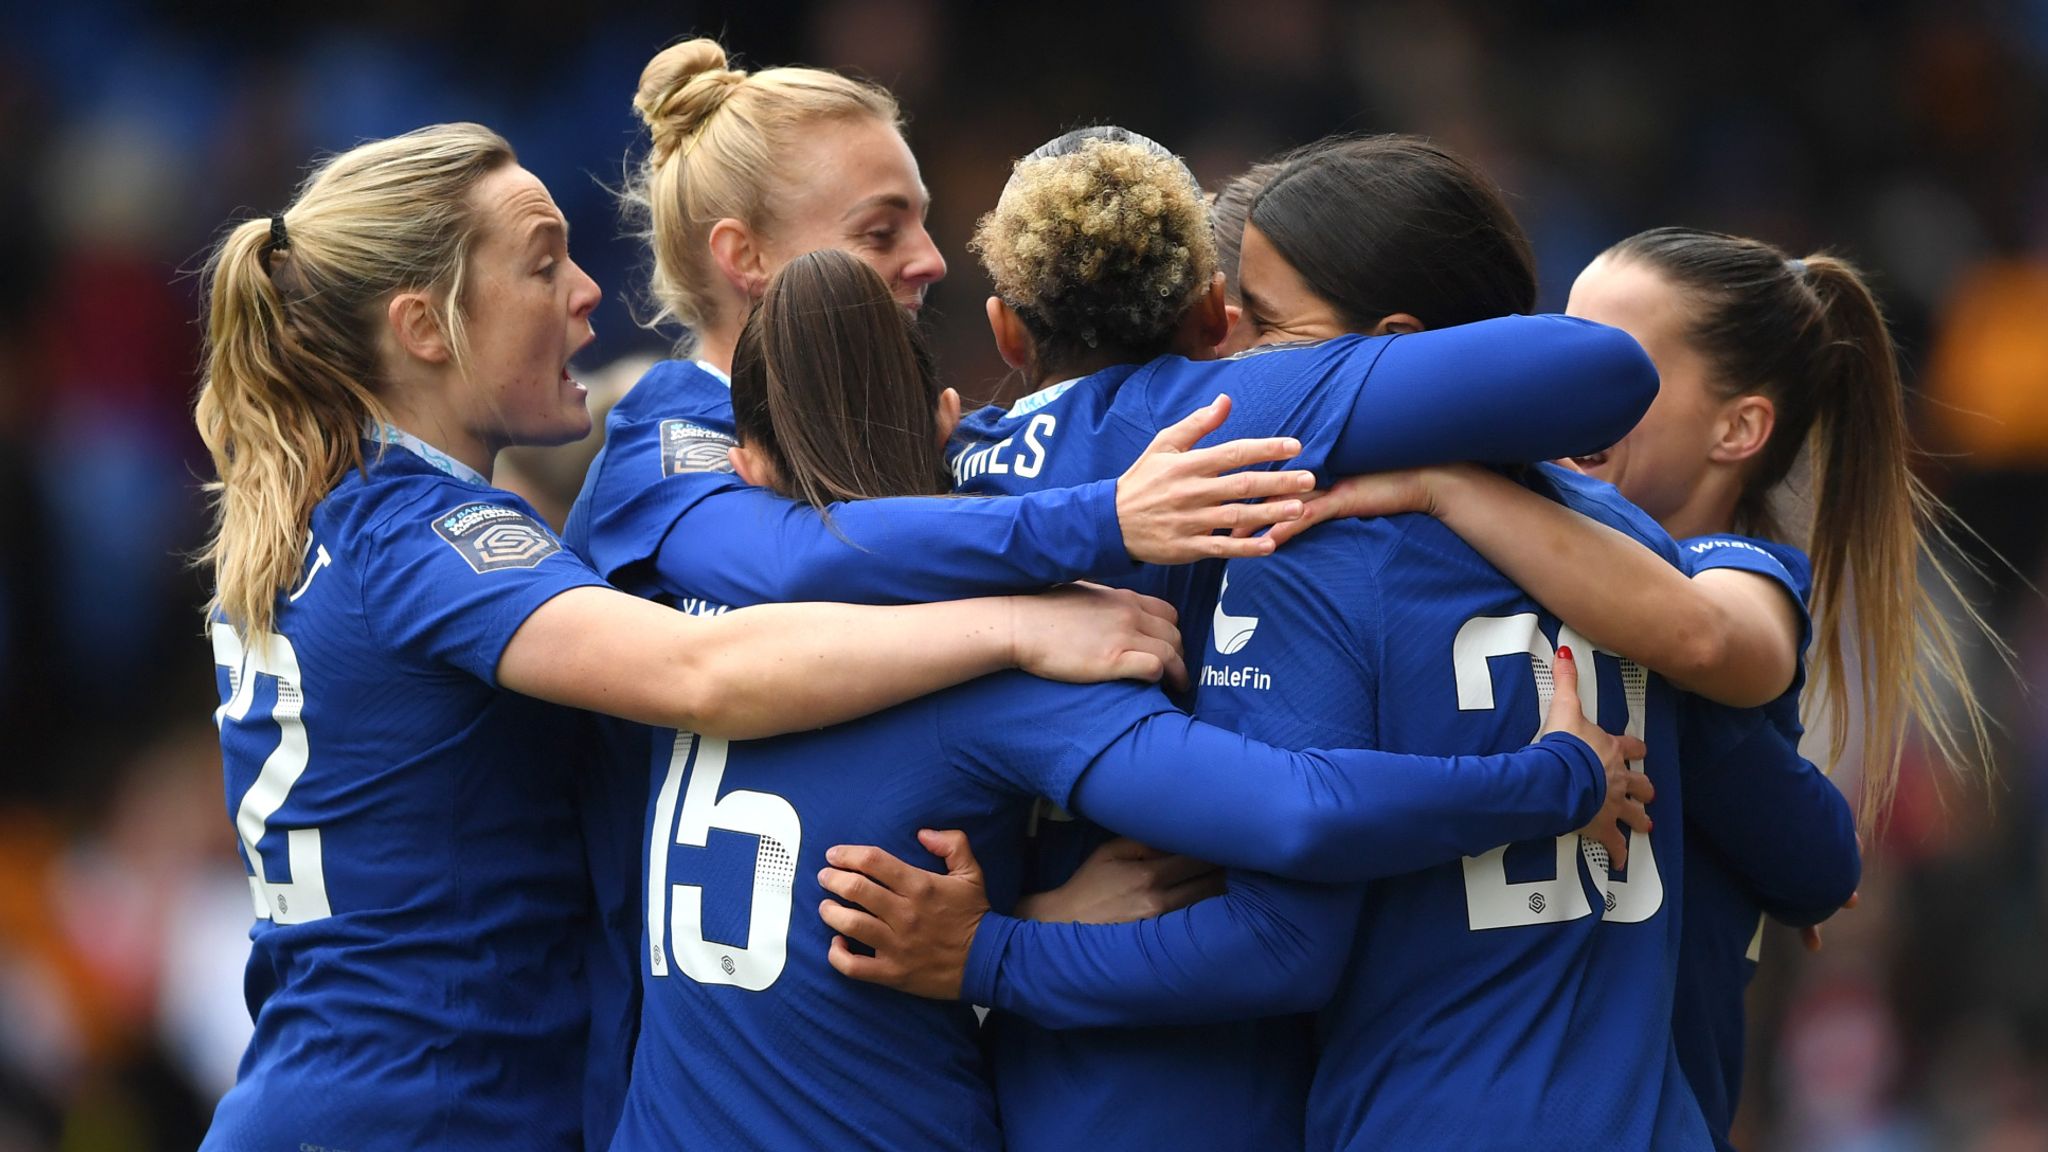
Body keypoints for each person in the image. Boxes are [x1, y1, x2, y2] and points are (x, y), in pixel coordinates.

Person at [190, 122, 1197, 1152]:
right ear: (422, 327)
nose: (587, 292)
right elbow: (703, 677)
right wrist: (1016, 627)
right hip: (426, 1110)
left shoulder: (328, 512)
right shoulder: (434, 535)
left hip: (343, 1092)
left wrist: (1000, 933)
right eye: (543, 266)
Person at [610, 248, 1649, 1151]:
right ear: (944, 425)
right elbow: (1298, 813)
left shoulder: (665, 636)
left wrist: (1016, 920)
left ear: (741, 466)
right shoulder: (994, 673)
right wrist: (1551, 779)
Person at [823, 132, 1705, 1151]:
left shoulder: (929, 483)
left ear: (1004, 333)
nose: (1244, 338)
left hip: (1094, 1053)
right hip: (1305, 1067)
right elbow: (1798, 847)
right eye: (1236, 316)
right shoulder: (1618, 546)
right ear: (1205, 316)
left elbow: (1289, 926)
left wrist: (1007, 944)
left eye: (1269, 323)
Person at [1258, 227, 1996, 1149]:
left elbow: (1697, 634)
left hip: (1649, 1110)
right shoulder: (1477, 570)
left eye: (1621, 364)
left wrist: (1446, 486)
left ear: (1739, 429)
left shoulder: (1738, 573)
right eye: (1567, 343)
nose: (1574, 383)